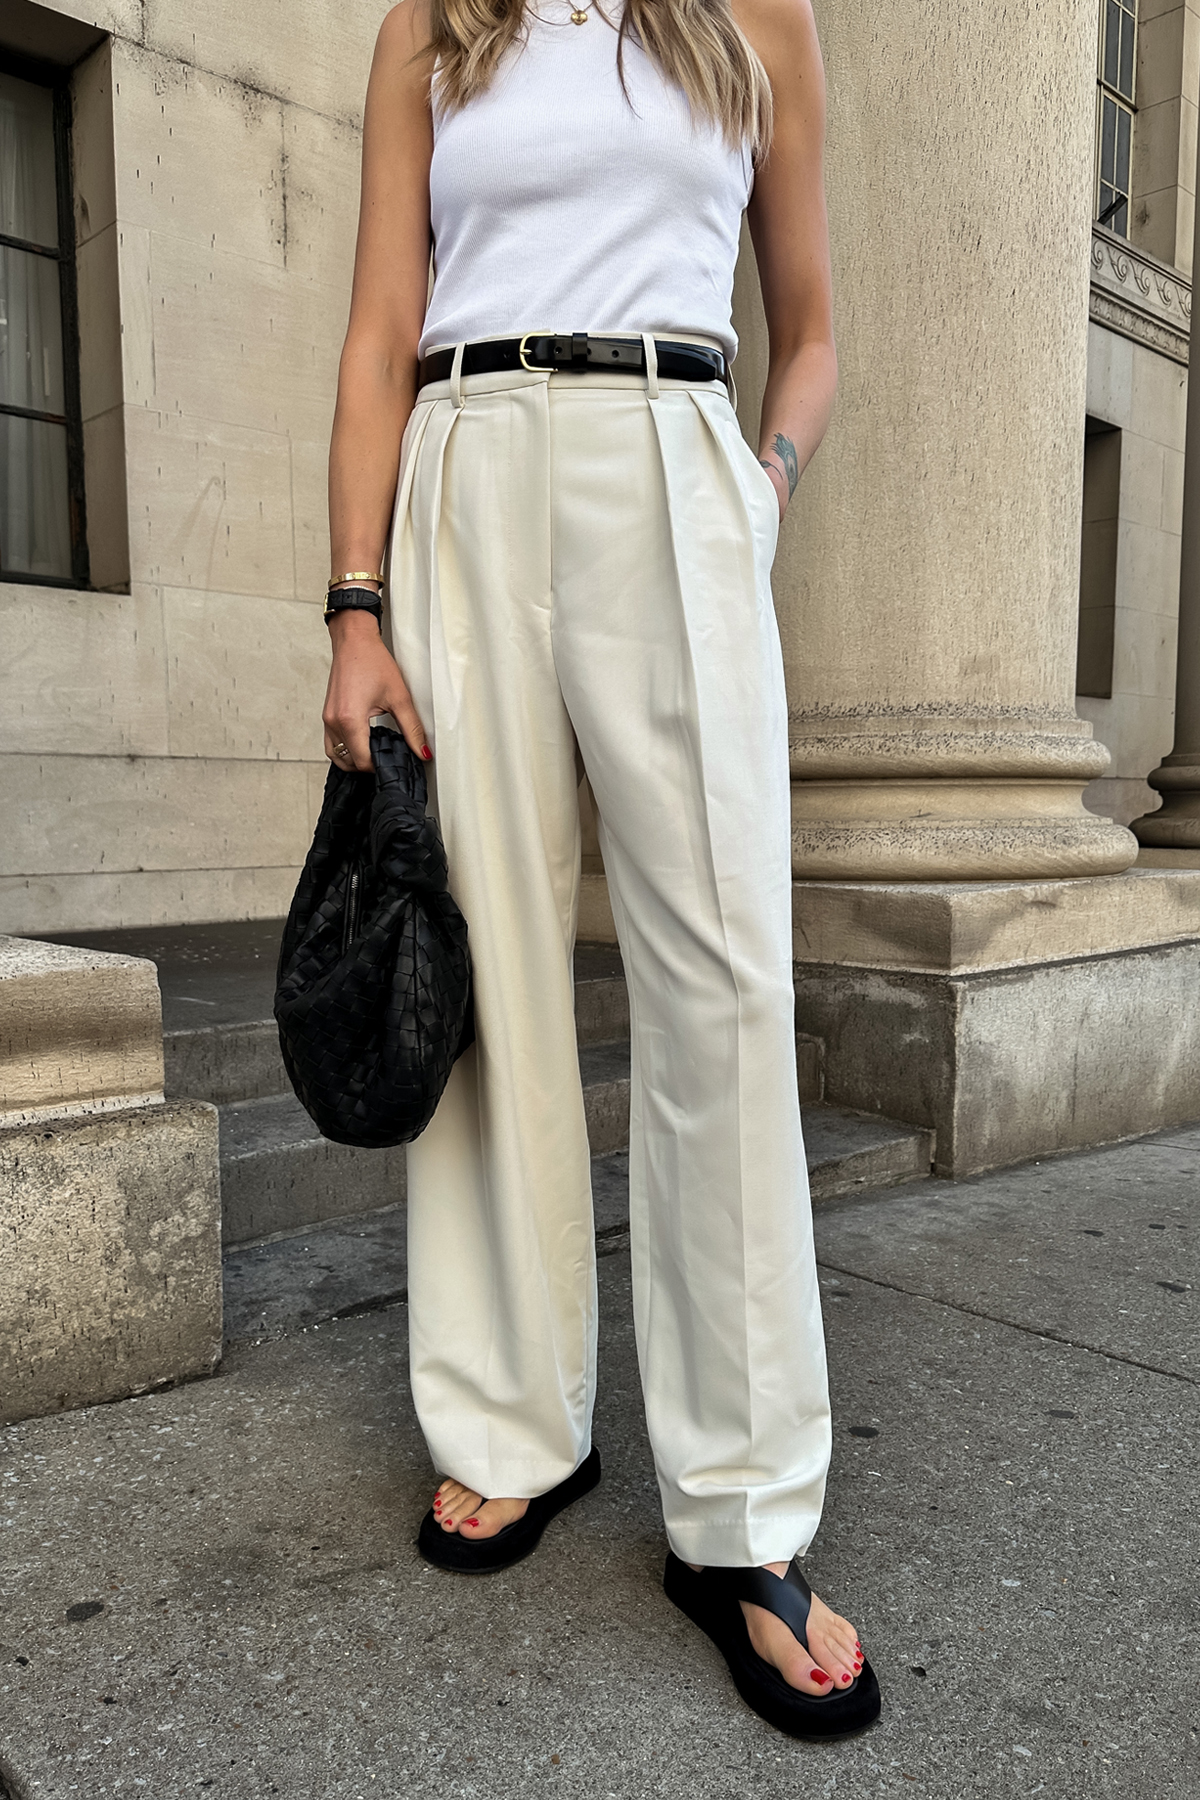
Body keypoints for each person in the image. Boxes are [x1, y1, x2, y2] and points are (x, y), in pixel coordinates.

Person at [320, 0, 879, 1739]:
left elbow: (812, 331)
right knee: (481, 969)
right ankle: (510, 1418)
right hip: (464, 458)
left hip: (674, 447)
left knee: (723, 983)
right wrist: (353, 606)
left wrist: (754, 495)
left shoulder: (755, 18)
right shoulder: (435, 25)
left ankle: (741, 1516)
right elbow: (379, 325)